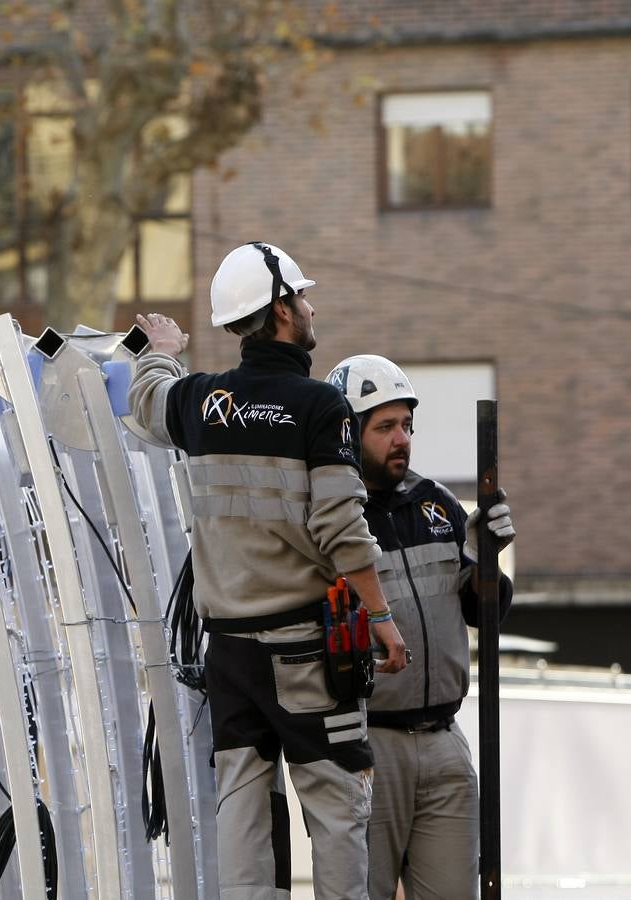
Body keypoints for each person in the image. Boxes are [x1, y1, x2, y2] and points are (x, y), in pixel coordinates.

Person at [130, 242, 408, 900]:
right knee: (338, 807)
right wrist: (383, 619)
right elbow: (342, 529)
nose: (312, 308)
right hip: (305, 653)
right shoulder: (320, 409)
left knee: (243, 812)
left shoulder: (200, 403)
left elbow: (146, 400)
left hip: (228, 652)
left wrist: (158, 347)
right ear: (282, 310)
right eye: (304, 298)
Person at [325, 354, 516, 900]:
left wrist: (486, 559)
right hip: (370, 745)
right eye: (385, 427)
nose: (401, 438)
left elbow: (486, 614)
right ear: (349, 433)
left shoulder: (437, 504)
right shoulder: (332, 515)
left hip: (445, 743)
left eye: (406, 424)